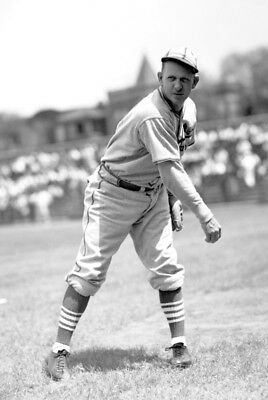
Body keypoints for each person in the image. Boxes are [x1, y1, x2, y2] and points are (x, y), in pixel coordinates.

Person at [45, 46, 222, 380]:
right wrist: (203, 213)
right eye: (171, 78)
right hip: (112, 194)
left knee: (167, 267)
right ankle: (58, 352)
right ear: (159, 79)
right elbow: (170, 168)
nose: (178, 86)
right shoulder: (153, 114)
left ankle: (179, 344)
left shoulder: (186, 107)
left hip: (151, 194)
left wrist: (170, 200)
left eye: (185, 80)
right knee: (88, 273)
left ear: (193, 83)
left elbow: (175, 153)